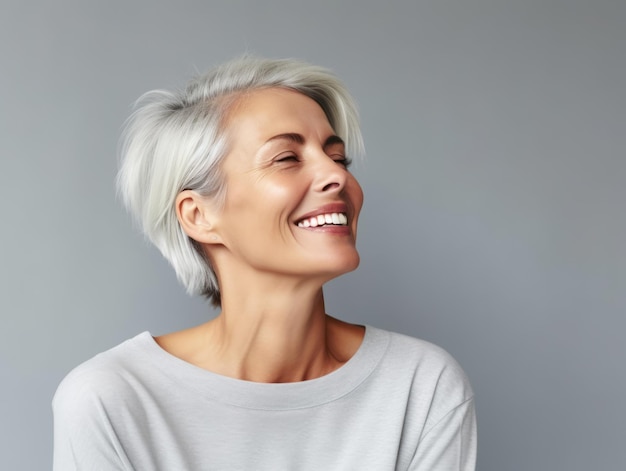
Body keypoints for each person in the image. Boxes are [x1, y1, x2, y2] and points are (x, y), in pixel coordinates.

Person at [52, 56, 476, 470]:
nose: (337, 176)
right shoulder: (112, 398)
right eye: (287, 158)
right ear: (199, 216)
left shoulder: (420, 384)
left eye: (338, 157)